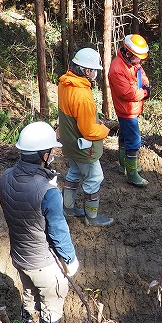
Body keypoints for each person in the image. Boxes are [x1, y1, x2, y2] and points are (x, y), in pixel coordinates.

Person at [0, 121, 79, 323]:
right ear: (43, 154)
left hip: (20, 258)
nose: (53, 155)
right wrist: (69, 259)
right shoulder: (47, 191)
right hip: (44, 263)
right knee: (51, 307)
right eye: (51, 151)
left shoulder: (5, 178)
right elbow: (58, 230)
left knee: (30, 299)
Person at [57, 48, 113, 227]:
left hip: (69, 142)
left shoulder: (64, 84)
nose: (95, 74)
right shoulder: (82, 95)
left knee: (74, 172)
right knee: (94, 178)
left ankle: (69, 208)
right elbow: (89, 131)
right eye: (94, 70)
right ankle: (92, 217)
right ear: (86, 71)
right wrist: (104, 130)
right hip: (83, 147)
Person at [107, 34, 151, 187]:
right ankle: (132, 175)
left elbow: (142, 75)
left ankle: (124, 165)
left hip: (132, 109)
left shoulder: (133, 63)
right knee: (133, 141)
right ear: (128, 52)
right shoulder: (117, 68)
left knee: (125, 137)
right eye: (137, 57)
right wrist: (145, 92)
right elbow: (127, 93)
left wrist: (145, 85)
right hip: (127, 111)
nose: (139, 61)